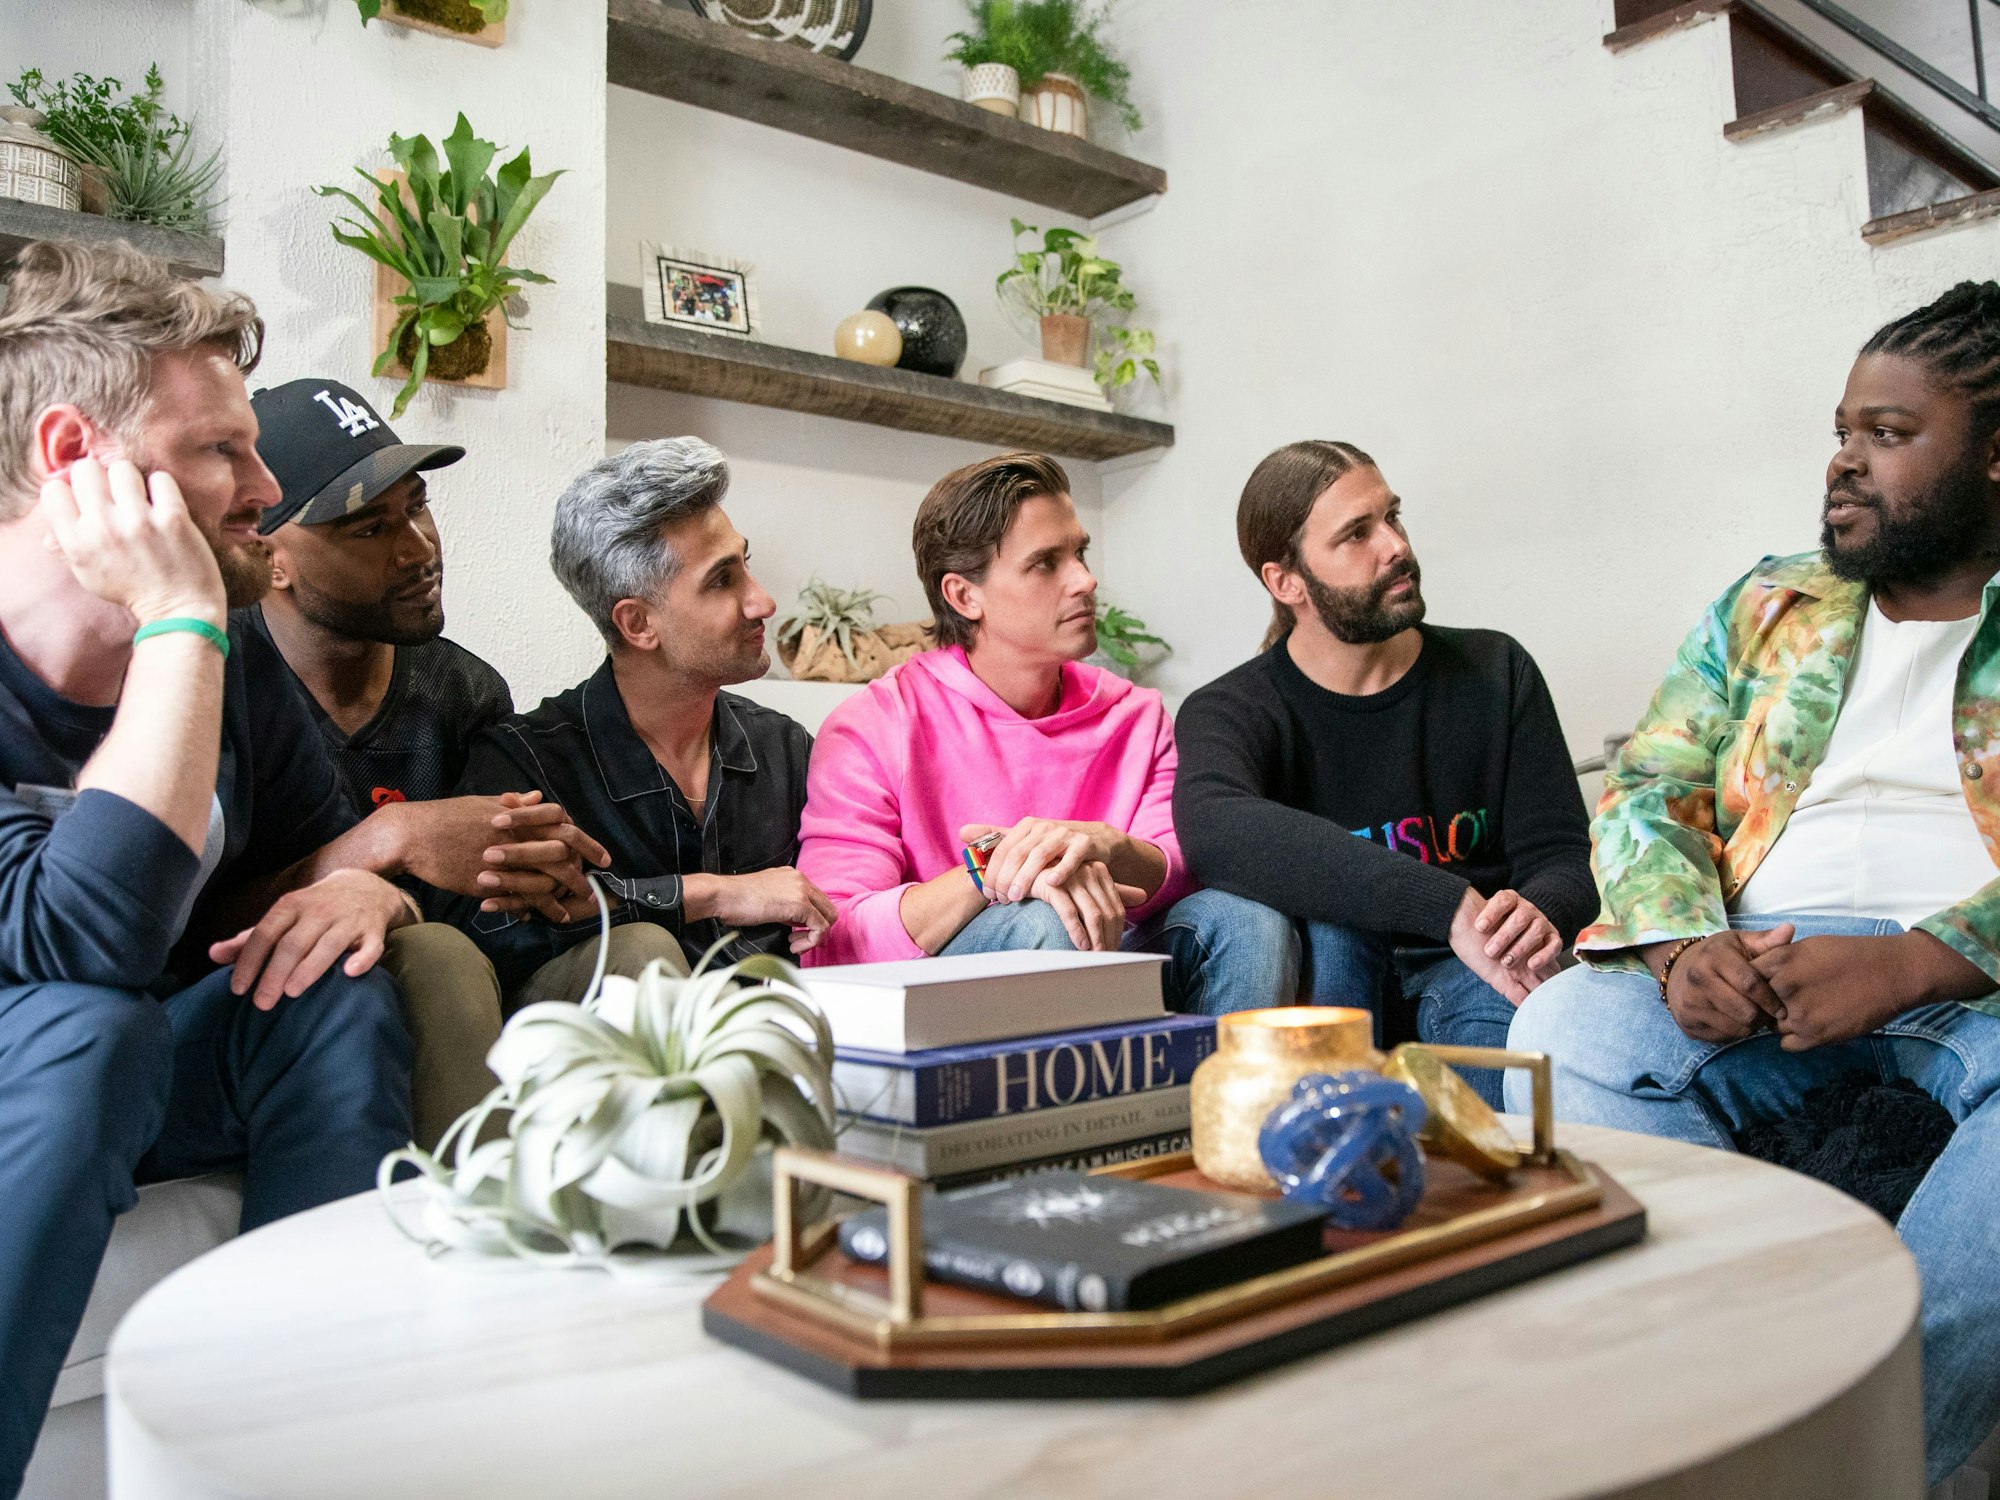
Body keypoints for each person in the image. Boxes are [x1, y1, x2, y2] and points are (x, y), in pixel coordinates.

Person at [1507, 281, 2000, 1484]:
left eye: (1886, 437)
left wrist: (1911, 963)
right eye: (1841, 431)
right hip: (1760, 958)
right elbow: (1644, 787)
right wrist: (1678, 945)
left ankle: (1858, 1459)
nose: (1842, 463)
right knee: (1559, 1028)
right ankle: (1703, 1387)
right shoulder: (1769, 601)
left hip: (1975, 983)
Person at [0, 241, 416, 1496]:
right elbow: (85, 941)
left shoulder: (235, 667)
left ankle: (298, 1459)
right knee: (91, 1029)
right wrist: (179, 619)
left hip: (113, 1064)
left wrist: (364, 886)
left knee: (328, 986)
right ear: (75, 457)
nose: (266, 484)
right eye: (219, 450)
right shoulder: (201, 638)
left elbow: (292, 869)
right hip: (37, 1065)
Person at [245, 377, 611, 1147]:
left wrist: (552, 871)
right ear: (268, 557)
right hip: (289, 1006)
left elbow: (497, 913)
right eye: (369, 529)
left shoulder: (462, 689)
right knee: (433, 956)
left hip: (466, 971)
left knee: (636, 950)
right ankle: (471, 1232)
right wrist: (392, 840)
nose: (418, 550)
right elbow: (181, 918)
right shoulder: (215, 679)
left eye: (416, 506)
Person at [1173, 441, 1596, 1105]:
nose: (1395, 546)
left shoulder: (1495, 669)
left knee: (1508, 1098)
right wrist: (1445, 905)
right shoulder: (1229, 710)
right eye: (1357, 534)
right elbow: (1215, 828)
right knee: (1335, 934)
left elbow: (1563, 855)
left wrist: (1541, 913)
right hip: (1335, 988)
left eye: (1392, 518)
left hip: (1479, 972)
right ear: (1287, 582)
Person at [797, 451, 1293, 1015]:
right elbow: (829, 939)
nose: (1085, 579)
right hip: (938, 998)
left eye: (1079, 552)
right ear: (964, 595)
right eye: (1045, 563)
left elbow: (1183, 865)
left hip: (1118, 952)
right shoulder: (874, 725)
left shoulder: (1135, 714)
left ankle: (1225, 1103)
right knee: (1044, 921)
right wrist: (995, 869)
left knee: (1250, 922)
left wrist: (1105, 845)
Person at [454, 437, 831, 991]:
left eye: (744, 565)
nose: (763, 602)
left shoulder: (783, 747)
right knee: (642, 952)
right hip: (611, 1068)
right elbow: (502, 935)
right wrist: (710, 893)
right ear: (637, 625)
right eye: (722, 580)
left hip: (785, 1052)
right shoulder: (527, 764)